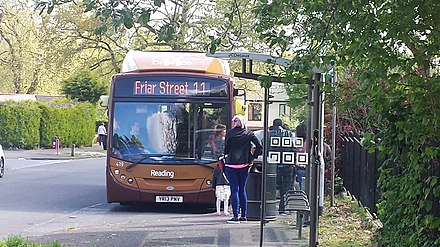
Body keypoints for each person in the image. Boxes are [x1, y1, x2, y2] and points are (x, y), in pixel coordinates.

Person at [223, 115, 262, 223]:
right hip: (244, 165)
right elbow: (259, 146)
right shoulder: (249, 133)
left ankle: (235, 216)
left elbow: (226, 149)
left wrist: (226, 154)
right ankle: (244, 215)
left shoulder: (230, 133)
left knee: (234, 190)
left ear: (234, 122)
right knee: (242, 189)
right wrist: (252, 158)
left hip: (231, 164)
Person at [269, 118, 294, 214]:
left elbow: (264, 148)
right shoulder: (289, 134)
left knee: (271, 186)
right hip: (286, 165)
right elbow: (293, 148)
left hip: (272, 165)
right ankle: (282, 208)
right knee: (286, 187)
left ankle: (270, 208)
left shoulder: (269, 134)